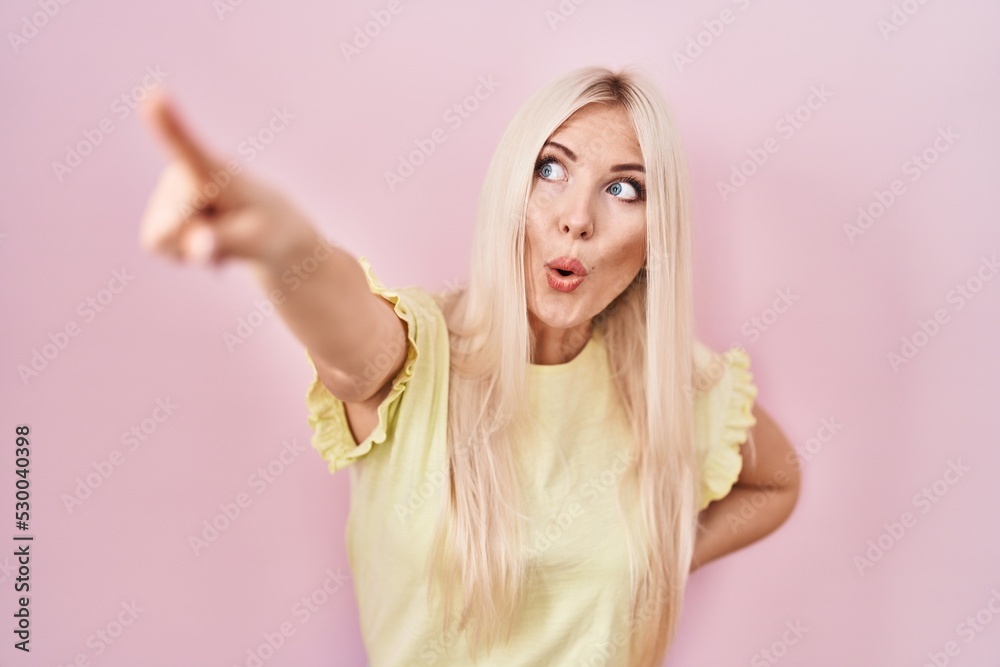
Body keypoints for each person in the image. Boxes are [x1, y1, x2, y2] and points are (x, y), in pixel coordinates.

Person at [138, 65, 801, 667]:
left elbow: (777, 483)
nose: (577, 218)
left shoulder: (671, 388)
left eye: (624, 189)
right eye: (550, 170)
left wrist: (654, 553)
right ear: (509, 193)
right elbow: (348, 342)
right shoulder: (420, 358)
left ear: (656, 238)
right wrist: (286, 247)